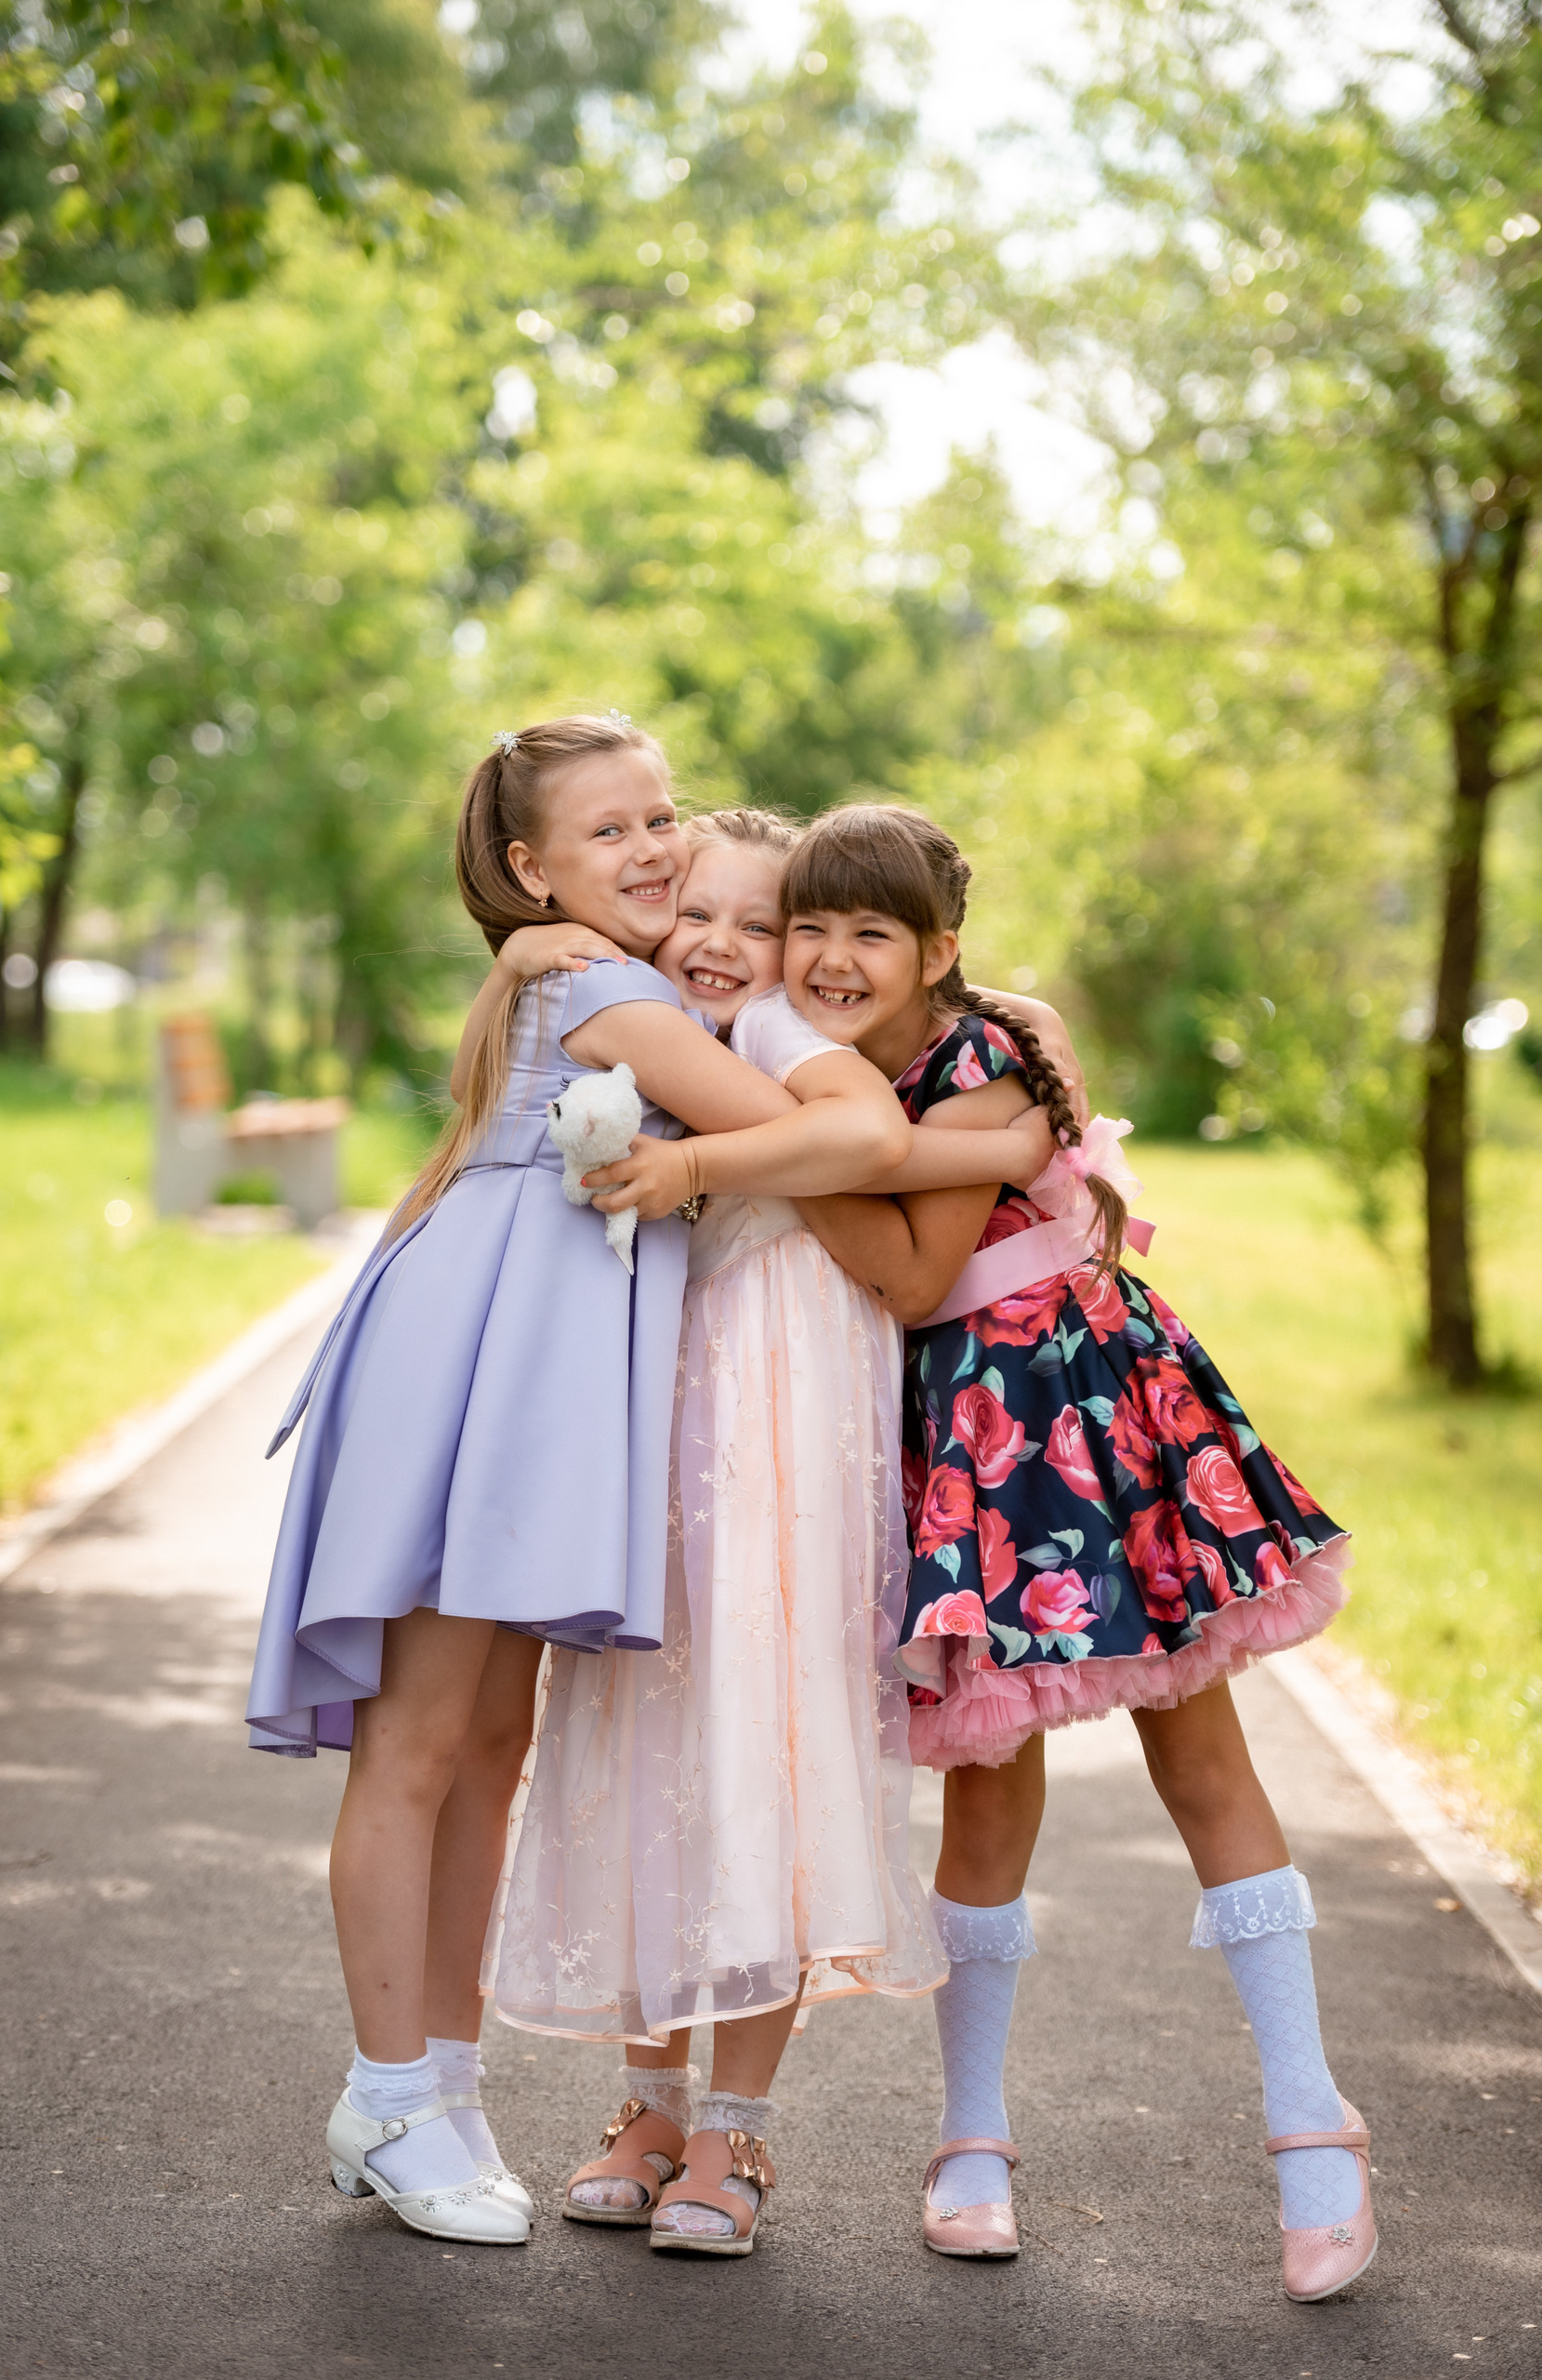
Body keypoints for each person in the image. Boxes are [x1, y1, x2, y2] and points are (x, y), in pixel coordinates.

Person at [244, 717, 920, 2246]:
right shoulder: (606, 988)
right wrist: (1000, 1129)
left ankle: (440, 2079)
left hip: (520, 1377)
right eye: (606, 833)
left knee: (489, 1742)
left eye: (659, 817)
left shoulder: (572, 968)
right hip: (471, 1371)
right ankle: (386, 2086)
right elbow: (847, 1134)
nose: (652, 848)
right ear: (531, 867)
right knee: (421, 1742)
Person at [784, 804, 1372, 2305]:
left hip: (1095, 1417)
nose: (835, 957)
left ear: (941, 947)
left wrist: (791, 1162)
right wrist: (819, 1129)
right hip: (968, 1452)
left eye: (873, 931)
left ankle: (1312, 2126)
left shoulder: (997, 1043)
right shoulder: (810, 1070)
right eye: (815, 927)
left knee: (1204, 1762)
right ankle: (969, 2138)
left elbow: (922, 1262)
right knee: (985, 1797)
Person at [471, 806, 1057, 2256]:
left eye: (766, 917)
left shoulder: (792, 1029)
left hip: (792, 1421)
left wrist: (702, 1170)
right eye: (713, 919)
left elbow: (861, 1138)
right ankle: (645, 2099)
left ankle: (736, 2130)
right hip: (666, 1423)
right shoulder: (650, 1015)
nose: (738, 948)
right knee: (642, 1735)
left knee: (768, 1745)